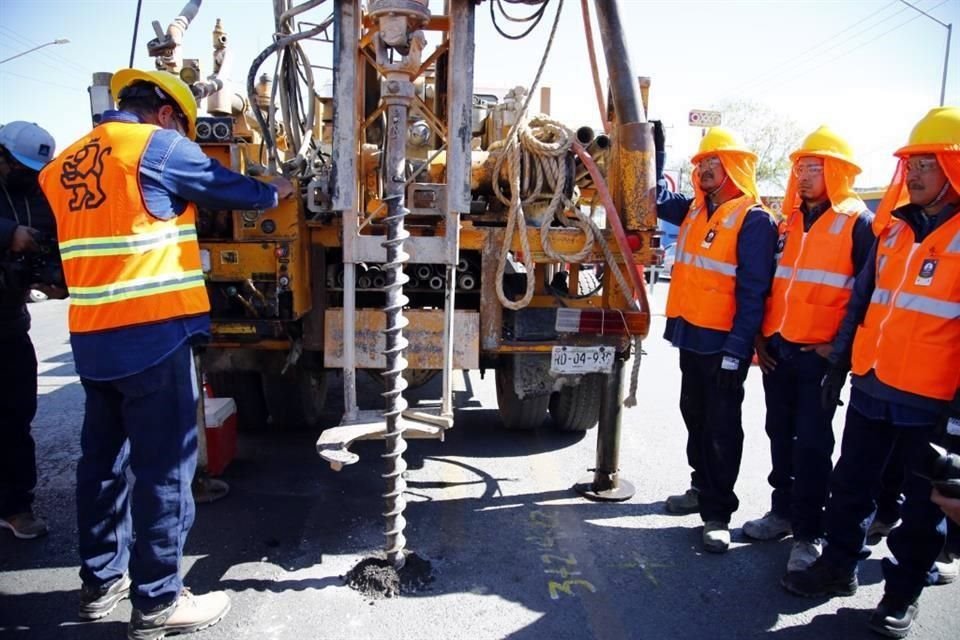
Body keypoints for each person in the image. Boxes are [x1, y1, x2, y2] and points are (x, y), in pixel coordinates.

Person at [38, 68, 293, 640]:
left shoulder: (64, 165)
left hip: (92, 336)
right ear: (168, 113)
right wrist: (275, 190)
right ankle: (158, 601)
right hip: (152, 335)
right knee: (164, 470)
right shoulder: (155, 145)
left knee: (100, 466)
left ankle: (100, 584)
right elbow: (219, 184)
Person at [781, 106, 960, 639]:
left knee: (924, 507)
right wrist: (840, 364)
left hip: (930, 399)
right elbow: (863, 302)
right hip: (872, 384)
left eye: (929, 162)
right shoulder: (895, 232)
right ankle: (837, 567)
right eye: (912, 163)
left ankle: (900, 594)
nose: (918, 173)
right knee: (850, 485)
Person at [744, 126, 875, 574]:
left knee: (813, 446)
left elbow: (867, 296)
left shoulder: (858, 223)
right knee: (779, 435)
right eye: (800, 168)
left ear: (836, 172)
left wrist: (836, 351)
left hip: (818, 358)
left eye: (814, 168)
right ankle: (783, 512)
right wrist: (762, 335)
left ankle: (808, 534)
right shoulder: (791, 221)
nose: (802, 176)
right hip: (780, 349)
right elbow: (778, 285)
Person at [655, 125, 778, 553]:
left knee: (721, 426)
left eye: (714, 163)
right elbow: (653, 196)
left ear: (734, 168)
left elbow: (753, 291)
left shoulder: (754, 219)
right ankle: (700, 487)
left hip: (725, 342)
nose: (705, 169)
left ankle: (718, 512)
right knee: (694, 413)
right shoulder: (695, 209)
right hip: (692, 333)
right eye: (702, 162)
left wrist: (738, 350)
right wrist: (654, 149)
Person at [0, 121, 61, 540]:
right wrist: (7, 235)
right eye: (17, 167)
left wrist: (55, 279)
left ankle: (15, 505)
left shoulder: (40, 193)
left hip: (9, 324)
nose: (24, 176)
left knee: (15, 416)